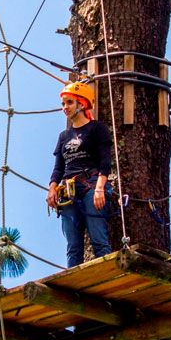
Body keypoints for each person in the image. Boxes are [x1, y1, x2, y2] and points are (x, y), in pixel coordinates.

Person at [46, 81, 115, 267]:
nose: (65, 108)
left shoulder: (96, 129)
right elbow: (58, 168)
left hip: (91, 185)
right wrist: (52, 189)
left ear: (82, 104)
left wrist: (100, 188)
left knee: (98, 238)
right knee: (73, 246)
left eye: (69, 103)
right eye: (63, 104)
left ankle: (106, 274)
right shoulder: (64, 136)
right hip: (68, 191)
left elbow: (105, 162)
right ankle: (74, 286)